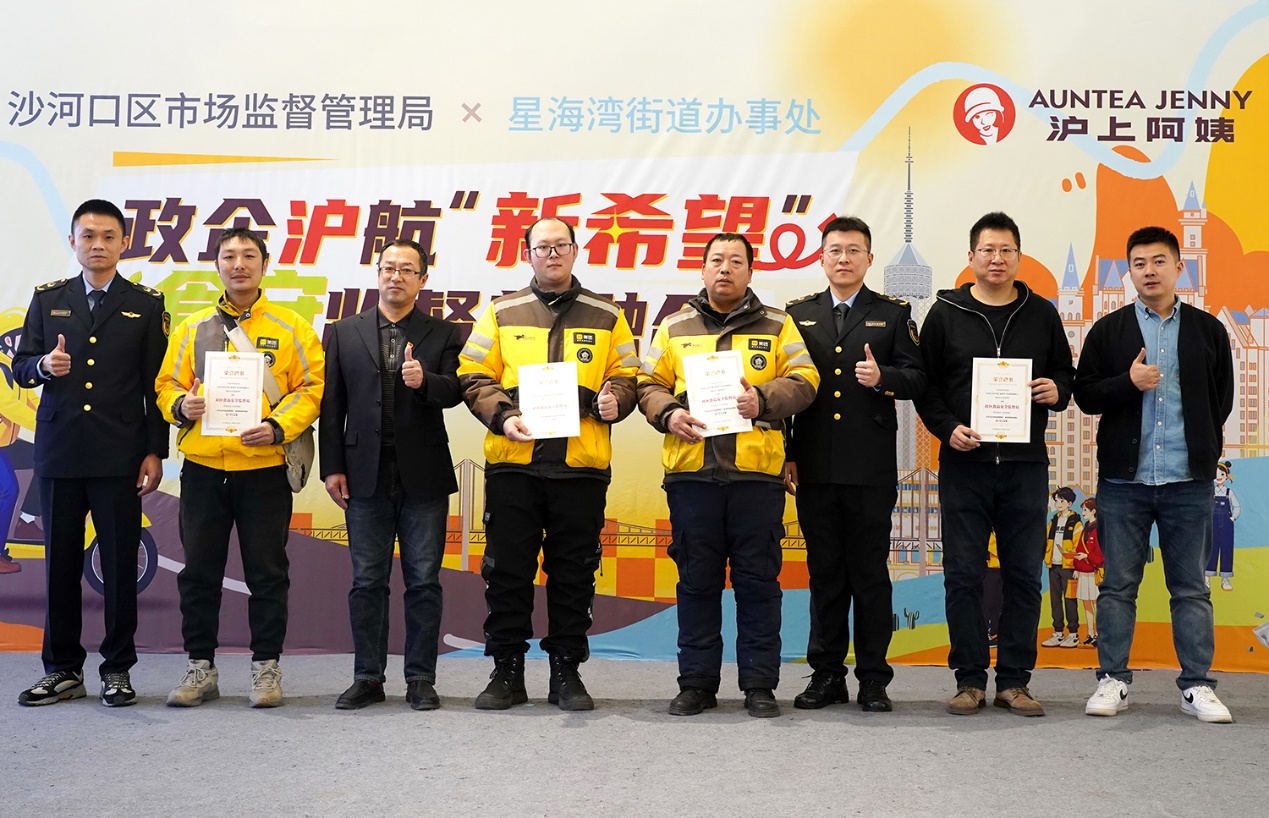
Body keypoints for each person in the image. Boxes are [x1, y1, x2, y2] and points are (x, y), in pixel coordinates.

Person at [457, 216, 639, 711]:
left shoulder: (607, 315)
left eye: (561, 246)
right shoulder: (500, 312)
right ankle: (506, 671)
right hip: (514, 463)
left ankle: (566, 672)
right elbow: (473, 374)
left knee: (575, 574)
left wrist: (617, 400)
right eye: (542, 247)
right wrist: (504, 416)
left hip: (581, 467)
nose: (552, 254)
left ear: (576, 251)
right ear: (528, 254)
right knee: (507, 572)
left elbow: (628, 375)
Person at [638, 232, 819, 718]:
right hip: (691, 475)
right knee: (696, 582)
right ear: (701, 269)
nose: (725, 269)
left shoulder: (778, 325)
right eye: (716, 260)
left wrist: (763, 398)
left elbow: (806, 380)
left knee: (758, 583)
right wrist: (669, 413)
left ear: (750, 271)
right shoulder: (674, 326)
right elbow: (647, 383)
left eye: (736, 261)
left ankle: (759, 684)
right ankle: (696, 683)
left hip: (755, 477)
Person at [914, 211, 1074, 717]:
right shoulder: (945, 313)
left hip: (1025, 465)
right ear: (971, 257)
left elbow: (1065, 374)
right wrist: (947, 428)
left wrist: (1057, 390)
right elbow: (925, 386)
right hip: (965, 464)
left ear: (1019, 257)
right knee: (963, 574)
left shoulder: (1041, 314)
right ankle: (968, 680)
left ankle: (1014, 681)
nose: (996, 259)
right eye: (987, 250)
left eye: (1006, 250)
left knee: (1023, 575)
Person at [156, 227, 324, 708]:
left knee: (267, 574)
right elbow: (166, 384)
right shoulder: (192, 328)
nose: (239, 264)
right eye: (229, 256)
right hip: (204, 468)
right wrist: (181, 406)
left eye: (249, 255)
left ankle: (266, 669)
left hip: (264, 469)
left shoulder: (292, 327)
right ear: (218, 266)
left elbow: (312, 388)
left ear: (265, 265)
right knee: (198, 573)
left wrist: (276, 426)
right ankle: (200, 668)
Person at [13, 199, 169, 707]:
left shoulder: (145, 304)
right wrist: (44, 365)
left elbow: (155, 385)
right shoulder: (48, 298)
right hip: (60, 450)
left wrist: (155, 451)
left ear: (124, 243)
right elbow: (21, 365)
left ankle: (117, 669)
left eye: (107, 236)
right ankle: (62, 668)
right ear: (73, 242)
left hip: (119, 454)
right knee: (59, 563)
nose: (97, 245)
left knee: (119, 564)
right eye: (87, 236)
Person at [1076, 226, 1234, 723]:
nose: (1149, 271)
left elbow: (1221, 399)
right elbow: (1086, 394)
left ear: (1179, 267)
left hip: (1188, 480)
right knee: (1117, 587)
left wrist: (1202, 451)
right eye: (1139, 263)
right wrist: (1129, 381)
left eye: (1159, 261)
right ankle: (1112, 680)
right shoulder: (1109, 330)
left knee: (1191, 589)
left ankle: (1196, 686)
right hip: (1124, 483)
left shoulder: (1208, 329)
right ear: (1129, 272)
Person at [783, 216, 925, 712]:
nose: (843, 258)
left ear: (869, 258)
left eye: (853, 250)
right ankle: (826, 675)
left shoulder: (893, 313)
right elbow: (785, 390)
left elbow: (917, 379)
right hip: (814, 465)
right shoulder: (797, 315)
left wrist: (883, 377)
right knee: (824, 574)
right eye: (835, 250)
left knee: (869, 576)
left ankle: (873, 679)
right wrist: (789, 454)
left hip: (870, 468)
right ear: (821, 257)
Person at [320, 239, 463, 711]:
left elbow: (456, 391)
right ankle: (367, 677)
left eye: (406, 269)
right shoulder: (344, 331)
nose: (395, 276)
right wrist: (332, 467)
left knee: (423, 581)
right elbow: (332, 404)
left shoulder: (445, 332)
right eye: (388, 268)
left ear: (423, 279)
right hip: (364, 473)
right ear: (377, 273)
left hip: (423, 473)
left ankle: (421, 678)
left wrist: (426, 383)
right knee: (367, 581)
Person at [1040, 487, 1083, 648]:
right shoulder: (1054, 520)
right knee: (1055, 600)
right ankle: (1058, 633)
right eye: (1057, 500)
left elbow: (1079, 545)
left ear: (1070, 503)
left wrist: (1076, 566)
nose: (1058, 503)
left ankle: (1073, 634)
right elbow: (1046, 540)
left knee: (1070, 600)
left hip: (1069, 568)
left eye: (1062, 501)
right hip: (1053, 566)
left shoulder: (1075, 522)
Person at [1205, 461, 1239, 591]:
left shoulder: (1229, 492)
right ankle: (1207, 578)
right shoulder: (1210, 491)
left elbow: (1236, 506)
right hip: (1212, 522)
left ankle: (1225, 578)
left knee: (1226, 548)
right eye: (1216, 474)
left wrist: (1233, 517)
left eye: (1222, 474)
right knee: (1211, 548)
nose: (1219, 477)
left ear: (1226, 476)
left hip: (1226, 524)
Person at [1075, 497, 1103, 646]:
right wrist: (1077, 567)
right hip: (1083, 571)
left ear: (1093, 511)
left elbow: (1100, 555)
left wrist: (1087, 556)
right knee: (1086, 603)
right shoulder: (1085, 528)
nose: (1083, 512)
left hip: (1094, 572)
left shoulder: (1098, 529)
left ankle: (1099, 634)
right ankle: (1090, 633)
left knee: (1096, 603)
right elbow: (1079, 548)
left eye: (1085, 510)